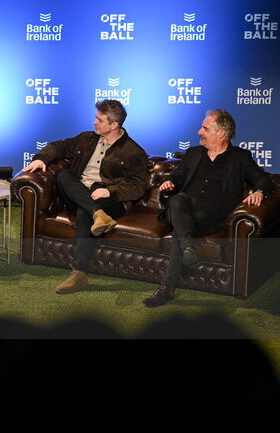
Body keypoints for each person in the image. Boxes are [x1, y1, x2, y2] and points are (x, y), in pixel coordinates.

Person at [143, 109, 272, 307]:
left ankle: (171, 280)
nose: (199, 132)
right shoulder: (193, 153)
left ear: (221, 133)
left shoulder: (240, 157)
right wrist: (170, 182)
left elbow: (263, 178)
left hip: (211, 215)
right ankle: (183, 257)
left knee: (180, 229)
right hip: (183, 207)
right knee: (178, 200)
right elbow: (178, 175)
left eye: (205, 128)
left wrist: (259, 192)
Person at [22, 99, 149, 294]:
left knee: (84, 212)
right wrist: (41, 158)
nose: (94, 122)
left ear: (114, 125)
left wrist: (110, 191)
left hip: (110, 201)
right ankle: (98, 214)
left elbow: (139, 186)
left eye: (100, 120)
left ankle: (79, 274)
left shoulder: (133, 152)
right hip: (79, 194)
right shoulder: (87, 139)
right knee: (64, 176)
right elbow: (59, 146)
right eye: (96, 118)